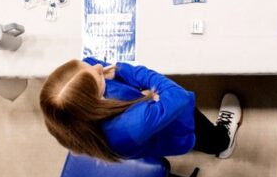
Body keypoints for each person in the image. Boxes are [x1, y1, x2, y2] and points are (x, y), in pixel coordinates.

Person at [39, 57, 242, 161]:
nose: (99, 67)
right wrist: (127, 70)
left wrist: (96, 73)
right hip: (174, 128)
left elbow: (91, 63)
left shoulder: (71, 111)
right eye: (97, 76)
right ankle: (223, 143)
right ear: (93, 103)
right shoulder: (132, 124)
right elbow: (178, 96)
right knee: (205, 135)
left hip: (146, 117)